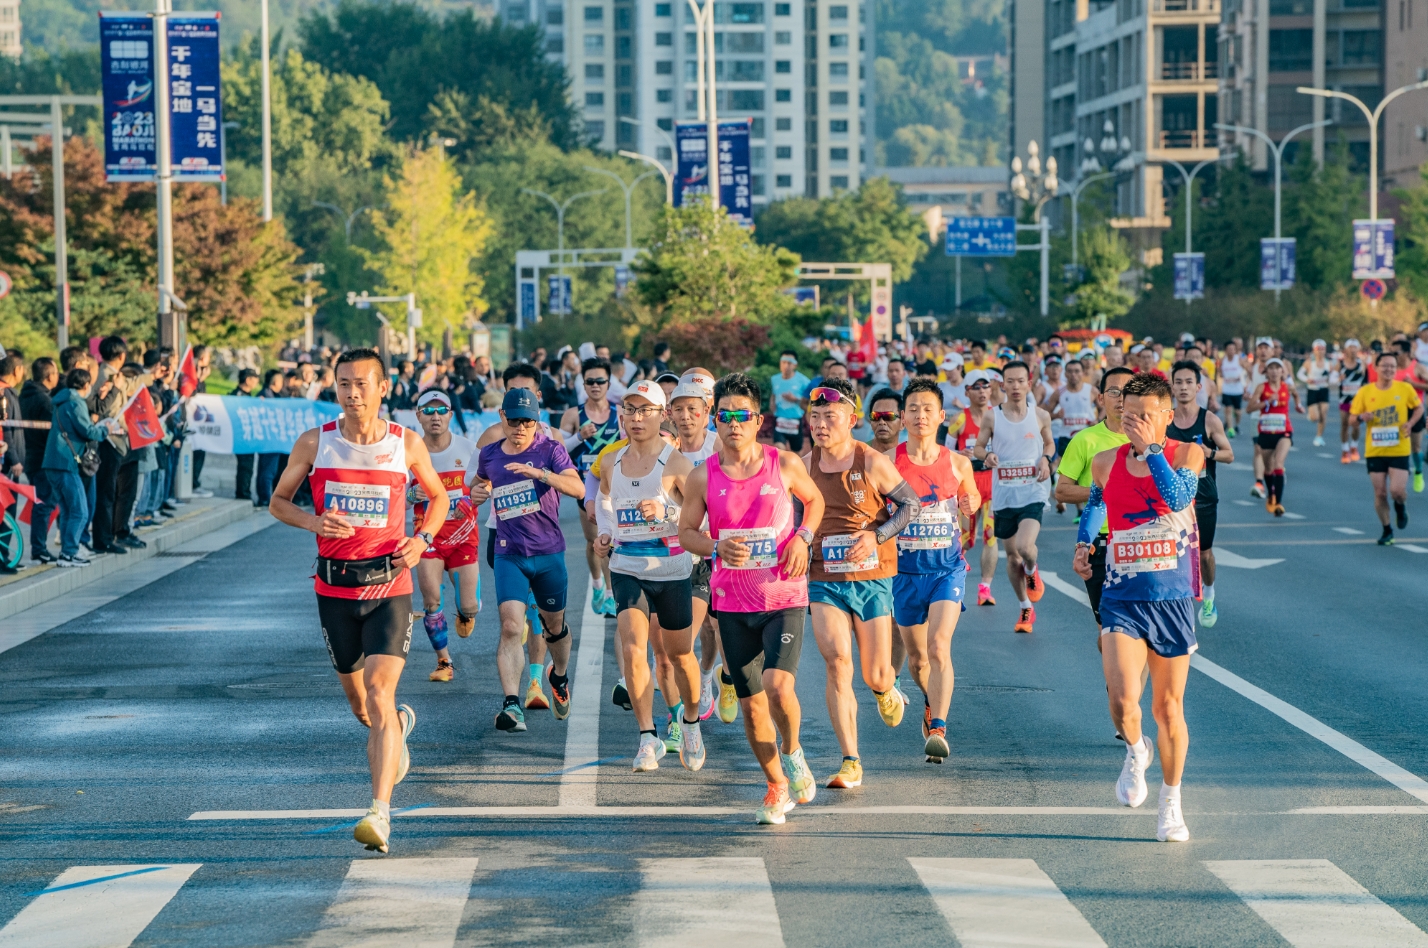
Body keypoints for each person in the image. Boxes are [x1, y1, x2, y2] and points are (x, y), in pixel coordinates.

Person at [268, 348, 447, 854]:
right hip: (333, 589)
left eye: (362, 384)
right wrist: (312, 521)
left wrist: (422, 540)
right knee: (362, 705)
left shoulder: (405, 444)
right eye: (344, 383)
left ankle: (379, 812)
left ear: (383, 388)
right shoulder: (315, 442)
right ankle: (397, 730)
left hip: (389, 586)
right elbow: (278, 501)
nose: (352, 393)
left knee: (380, 693)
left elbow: (437, 497)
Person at [677, 373, 825, 824]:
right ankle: (775, 784)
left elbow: (814, 502)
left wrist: (802, 537)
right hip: (732, 603)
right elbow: (685, 533)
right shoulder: (703, 476)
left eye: (743, 416)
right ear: (715, 421)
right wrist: (715, 546)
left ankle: (794, 751)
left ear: (759, 420)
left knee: (779, 687)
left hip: (783, 594)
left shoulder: (785, 464)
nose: (734, 424)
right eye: (725, 416)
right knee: (751, 703)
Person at [1073, 371, 1203, 843]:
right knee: (1123, 698)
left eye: (1145, 417)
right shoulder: (1106, 461)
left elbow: (1176, 498)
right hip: (1122, 595)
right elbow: (1095, 505)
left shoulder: (1188, 454)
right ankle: (1135, 749)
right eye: (1128, 417)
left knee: (1168, 707)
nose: (1135, 425)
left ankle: (1171, 802)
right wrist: (1085, 543)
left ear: (1167, 417)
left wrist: (1151, 450)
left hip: (1172, 597)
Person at [804, 377, 922, 789]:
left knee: (875, 674)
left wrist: (876, 535)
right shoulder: (804, 466)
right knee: (837, 662)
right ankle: (850, 759)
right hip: (823, 578)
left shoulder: (870, 461)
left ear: (851, 420)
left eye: (829, 417)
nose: (820, 424)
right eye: (814, 416)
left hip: (871, 578)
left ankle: (886, 688)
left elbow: (912, 506)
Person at [594, 380, 705, 771]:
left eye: (645, 411)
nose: (636, 418)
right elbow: (603, 498)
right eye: (629, 409)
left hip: (672, 570)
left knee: (679, 657)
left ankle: (690, 721)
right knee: (633, 649)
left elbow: (700, 517)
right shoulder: (612, 460)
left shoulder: (676, 464)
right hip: (626, 567)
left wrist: (668, 515)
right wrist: (606, 531)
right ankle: (647, 737)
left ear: (663, 416)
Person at [470, 388, 586, 733]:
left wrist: (541, 475)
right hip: (510, 553)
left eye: (528, 421)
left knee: (555, 627)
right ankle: (511, 704)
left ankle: (559, 676)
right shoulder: (490, 454)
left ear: (537, 422)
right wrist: (477, 493)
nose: (520, 427)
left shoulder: (549, 449)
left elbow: (578, 489)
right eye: (515, 420)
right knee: (510, 625)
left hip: (549, 553)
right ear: (503, 418)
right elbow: (478, 485)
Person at [889, 378, 979, 763]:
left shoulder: (958, 462)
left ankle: (939, 726)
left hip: (947, 570)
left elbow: (970, 497)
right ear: (902, 417)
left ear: (942, 416)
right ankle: (929, 701)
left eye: (928, 409)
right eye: (913, 409)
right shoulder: (889, 463)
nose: (920, 415)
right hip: (904, 574)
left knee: (939, 646)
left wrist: (970, 500)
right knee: (918, 659)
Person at [973, 361, 1055, 633]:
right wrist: (988, 455)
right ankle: (1024, 608)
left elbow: (1050, 442)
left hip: (1032, 492)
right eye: (1010, 381)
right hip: (1004, 495)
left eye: (1021, 381)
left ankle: (1032, 571)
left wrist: (1045, 458)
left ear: (1028, 383)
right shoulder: (992, 417)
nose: (1016, 386)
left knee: (1024, 547)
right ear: (1003, 384)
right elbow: (978, 447)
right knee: (1011, 558)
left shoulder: (1040, 415)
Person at [408, 390, 481, 683]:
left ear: (450, 415)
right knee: (430, 598)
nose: (435, 416)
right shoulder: (410, 450)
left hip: (464, 535)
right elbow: (393, 490)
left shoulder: (468, 448)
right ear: (418, 416)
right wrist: (412, 493)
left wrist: (475, 498)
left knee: (469, 606)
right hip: (428, 536)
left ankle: (465, 613)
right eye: (428, 410)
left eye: (441, 411)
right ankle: (444, 662)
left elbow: (484, 483)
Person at [667, 372, 728, 723]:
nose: (687, 416)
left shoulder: (717, 446)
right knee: (698, 632)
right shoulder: (665, 449)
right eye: (680, 409)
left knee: (717, 628)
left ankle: (710, 676)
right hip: (677, 551)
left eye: (694, 409)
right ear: (671, 413)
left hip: (714, 549)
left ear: (706, 412)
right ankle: (702, 680)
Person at [1055, 365, 1134, 630]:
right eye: (1114, 391)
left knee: (1140, 631)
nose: (1122, 398)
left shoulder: (1153, 441)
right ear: (1100, 398)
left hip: (1141, 541)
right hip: (1100, 543)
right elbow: (1062, 490)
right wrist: (1102, 491)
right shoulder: (1085, 440)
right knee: (1110, 631)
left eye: (1129, 391)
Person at [1167, 361, 1233, 627]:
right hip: (1172, 500)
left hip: (1203, 496)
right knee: (1174, 554)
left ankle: (1209, 595)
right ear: (1172, 387)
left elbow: (1229, 454)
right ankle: (1177, 604)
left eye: (1188, 382)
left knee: (1204, 553)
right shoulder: (1165, 420)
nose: (1183, 387)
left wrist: (1209, 453)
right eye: (1178, 382)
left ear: (1198, 386)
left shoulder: (1209, 419)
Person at [561, 357, 622, 617]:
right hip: (584, 486)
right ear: (583, 384)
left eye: (601, 381)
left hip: (612, 485)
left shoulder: (620, 413)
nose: (595, 386)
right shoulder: (573, 415)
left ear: (609, 383)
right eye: (590, 382)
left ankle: (610, 593)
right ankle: (598, 585)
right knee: (591, 541)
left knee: (609, 539)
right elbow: (558, 449)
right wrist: (578, 436)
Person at [42, 368, 115, 567]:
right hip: (65, 462)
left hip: (53, 462)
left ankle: (67, 553)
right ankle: (69, 553)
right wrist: (105, 430)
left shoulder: (61, 401)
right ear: (85, 385)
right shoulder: (75, 403)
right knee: (80, 511)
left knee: (67, 510)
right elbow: (87, 430)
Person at [1350, 350, 1423, 545]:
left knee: (1397, 491)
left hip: (1399, 447)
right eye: (1385, 366)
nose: (1389, 369)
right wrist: (1360, 418)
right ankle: (1387, 530)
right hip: (1375, 450)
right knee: (1380, 493)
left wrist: (1410, 423)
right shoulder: (1365, 392)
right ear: (1376, 368)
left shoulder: (1405, 389)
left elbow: (1419, 408)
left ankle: (1400, 507)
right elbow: (1352, 420)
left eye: (1392, 366)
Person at [947, 370, 999, 606]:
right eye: (976, 387)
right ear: (967, 391)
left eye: (985, 386)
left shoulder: (998, 417)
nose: (981, 391)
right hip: (967, 485)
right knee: (966, 539)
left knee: (990, 536)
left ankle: (985, 588)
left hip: (992, 484)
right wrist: (961, 454)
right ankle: (955, 573)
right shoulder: (959, 419)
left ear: (991, 390)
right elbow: (945, 454)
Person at [1247, 358, 1301, 516]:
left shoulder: (1288, 387)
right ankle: (1271, 495)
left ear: (1283, 371)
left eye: (1278, 368)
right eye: (1271, 368)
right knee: (1268, 468)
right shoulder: (1261, 388)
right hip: (1265, 431)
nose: (1274, 371)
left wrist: (1299, 405)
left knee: (1279, 463)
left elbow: (1296, 395)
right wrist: (1265, 403)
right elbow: (1249, 408)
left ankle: (1278, 503)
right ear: (1266, 371)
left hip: (1284, 431)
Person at [19, 357, 58, 563]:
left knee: (40, 501)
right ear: (50, 375)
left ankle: (39, 546)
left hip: (29, 456)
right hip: (43, 457)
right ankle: (39, 548)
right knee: (45, 502)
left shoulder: (24, 395)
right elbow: (51, 433)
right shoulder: (45, 401)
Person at [769, 351, 811, 454]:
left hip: (795, 420)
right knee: (779, 449)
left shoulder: (804, 381)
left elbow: (810, 400)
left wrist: (795, 399)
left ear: (795, 364)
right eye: (783, 362)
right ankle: (782, 470)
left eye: (789, 363)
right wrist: (772, 403)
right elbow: (774, 394)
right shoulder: (775, 379)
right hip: (779, 419)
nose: (786, 365)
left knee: (796, 453)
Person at [1336, 339, 1369, 464]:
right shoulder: (1340, 364)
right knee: (1344, 423)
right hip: (1344, 398)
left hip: (1358, 399)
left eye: (1355, 347)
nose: (1353, 350)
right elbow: (1332, 379)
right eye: (1350, 347)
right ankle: (1345, 450)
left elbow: (1367, 381)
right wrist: (1339, 378)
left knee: (1356, 424)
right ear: (1346, 350)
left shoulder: (1362, 364)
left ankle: (1354, 446)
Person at [1298, 340, 1333, 447]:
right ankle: (1312, 416)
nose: (1320, 352)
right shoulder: (1309, 363)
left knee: (1324, 412)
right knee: (1315, 417)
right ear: (1314, 350)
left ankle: (1319, 436)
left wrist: (1332, 380)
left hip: (1324, 390)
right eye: (1318, 349)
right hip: (1312, 390)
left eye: (1322, 349)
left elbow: (1334, 376)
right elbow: (1300, 374)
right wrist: (1307, 379)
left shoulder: (1329, 363)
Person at [1218, 340, 1246, 438]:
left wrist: (1243, 380)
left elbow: (1248, 371)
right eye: (1229, 349)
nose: (1231, 351)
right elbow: (1220, 372)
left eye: (1233, 349)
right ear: (1225, 350)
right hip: (1227, 389)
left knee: (1238, 412)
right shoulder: (1223, 360)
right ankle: (1230, 430)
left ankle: (1236, 425)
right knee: (1228, 409)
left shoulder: (1239, 360)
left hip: (1238, 390)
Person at [867, 389, 903, 453]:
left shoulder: (909, 458)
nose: (881, 422)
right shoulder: (859, 454)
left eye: (888, 416)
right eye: (876, 416)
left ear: (902, 423)